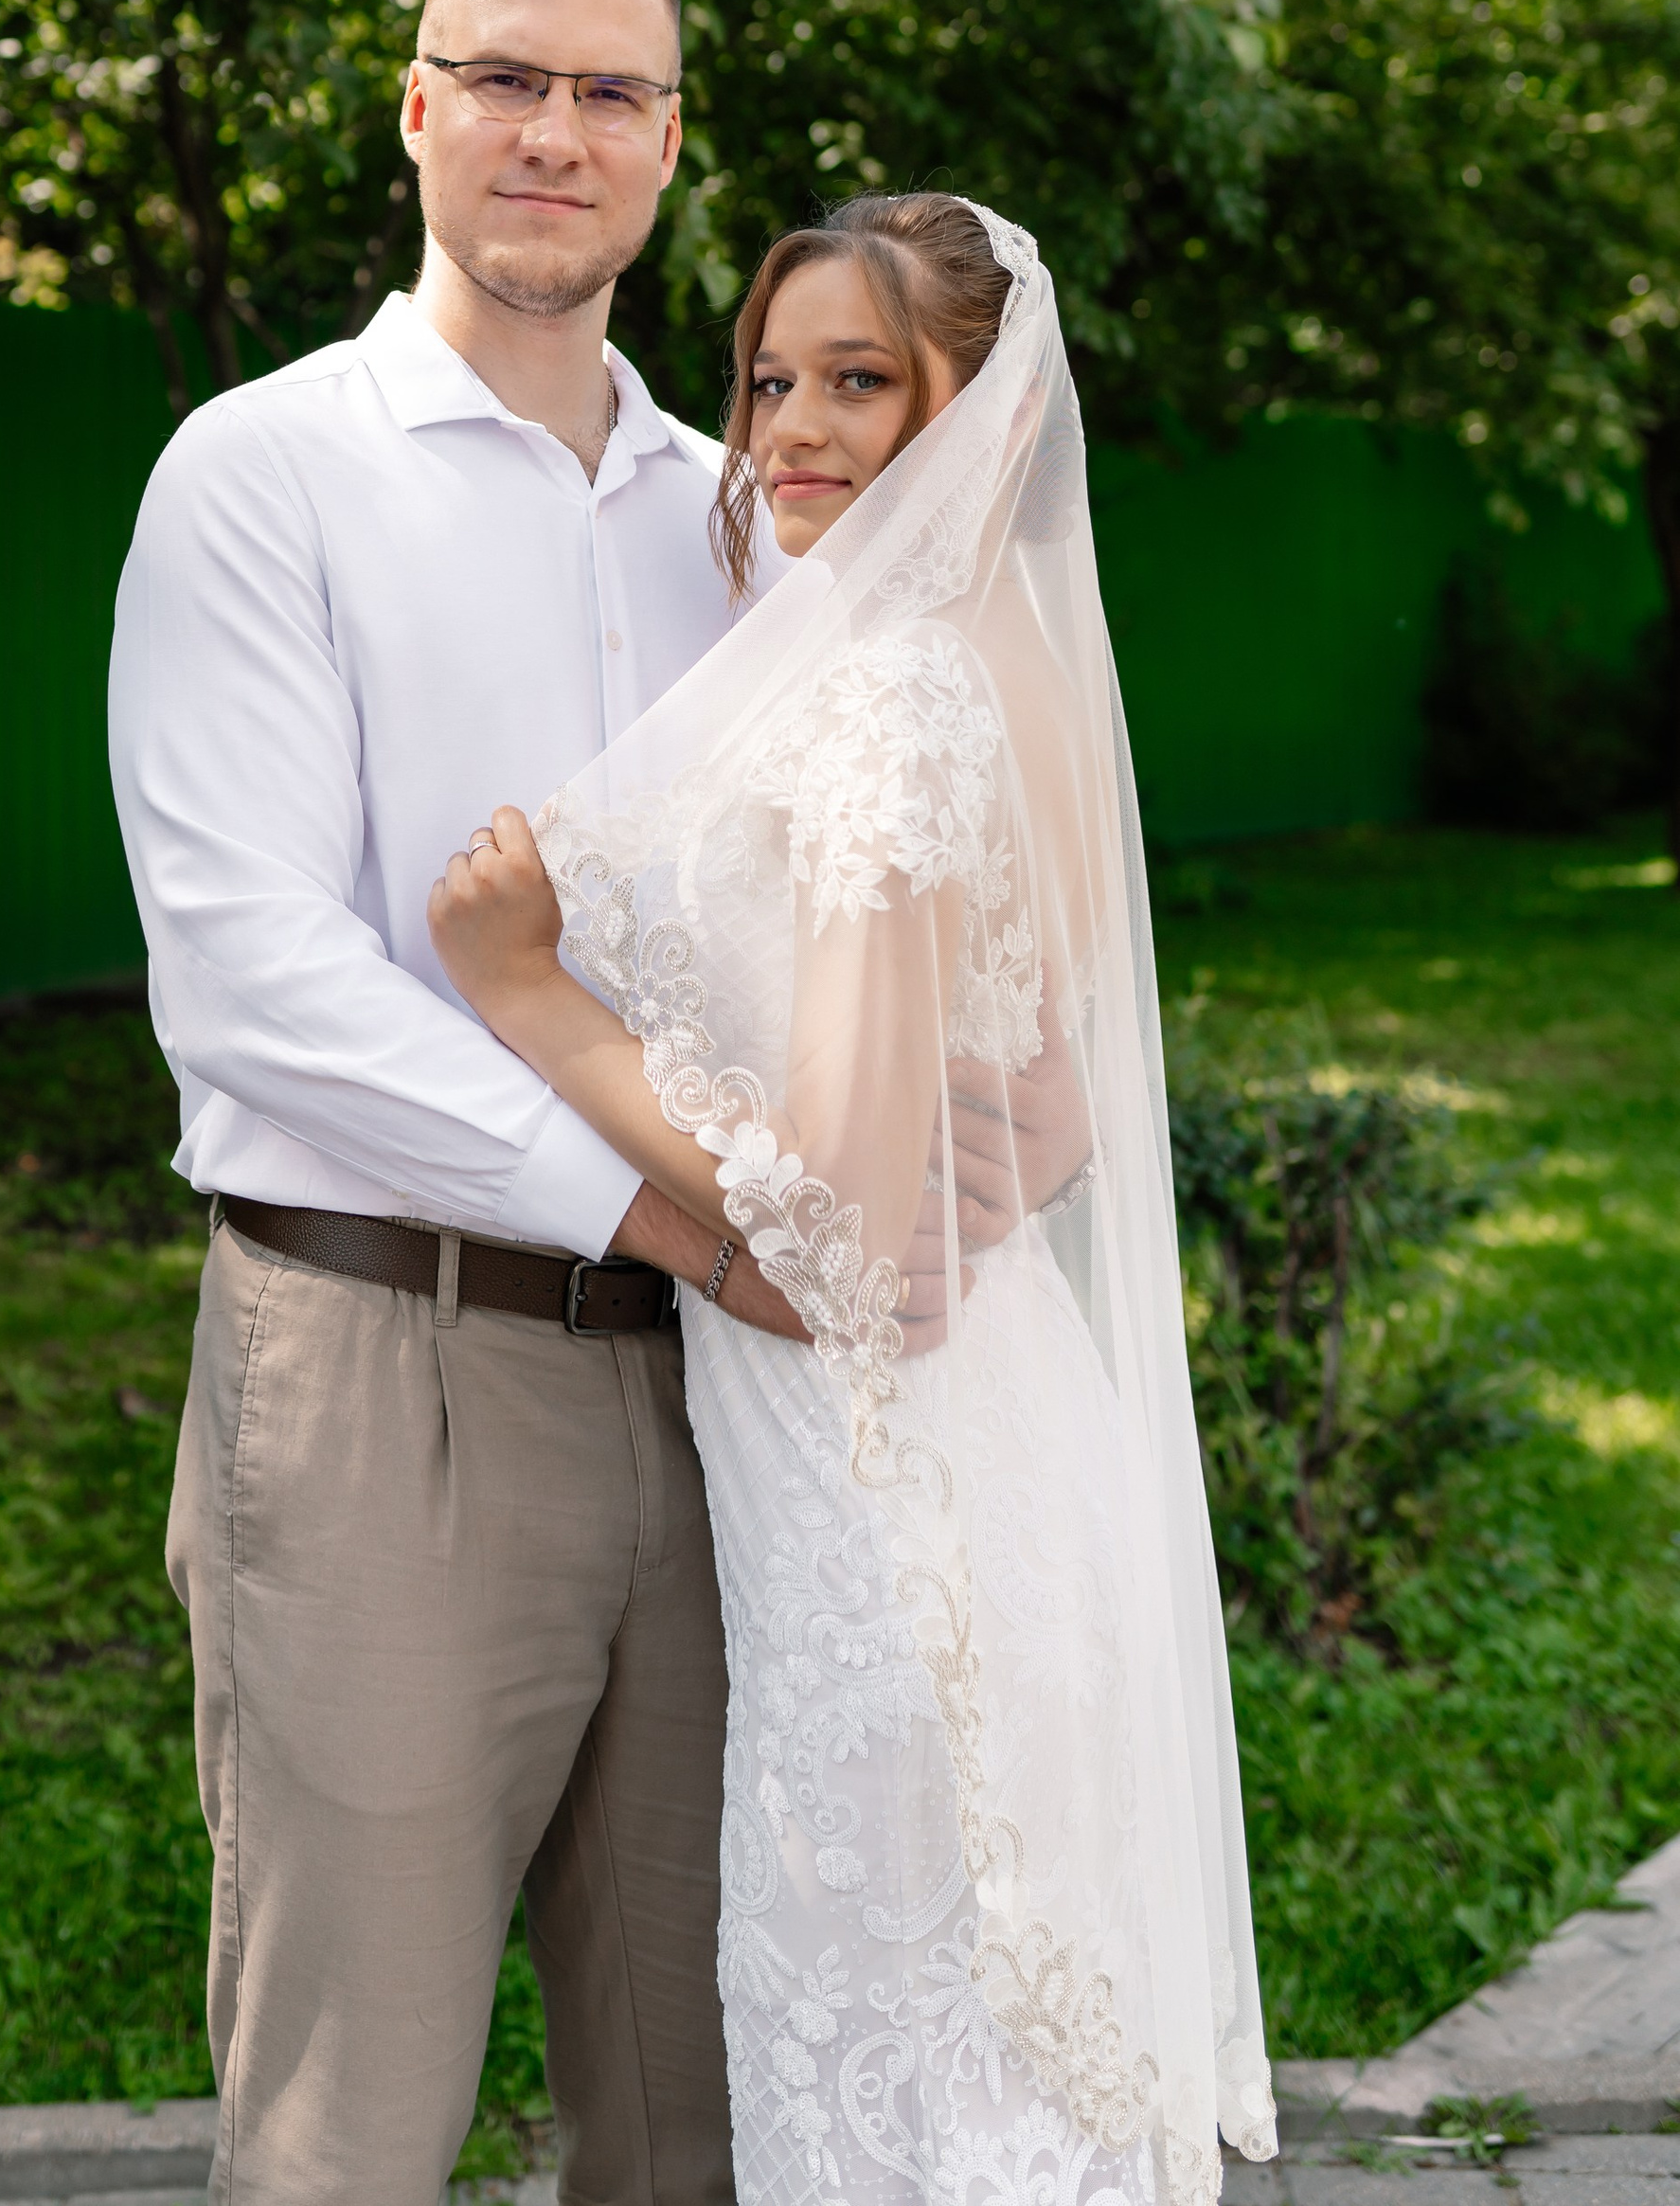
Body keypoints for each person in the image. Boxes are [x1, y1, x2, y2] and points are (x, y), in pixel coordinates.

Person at [109, 0, 1059, 2206]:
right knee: (358, 2108)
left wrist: (947, 1159)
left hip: (746, 1402)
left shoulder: (754, 513)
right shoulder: (263, 470)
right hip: (392, 1368)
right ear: (418, 105)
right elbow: (255, 973)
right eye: (504, 76)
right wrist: (685, 1213)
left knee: (701, 2101)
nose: (553, 129)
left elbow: (884, 916)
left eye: (606, 90)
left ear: (661, 144)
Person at [431, 194, 1280, 2206]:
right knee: (1000, 2057)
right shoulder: (1008, 665)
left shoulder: (882, 694)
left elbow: (812, 1217)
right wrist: (974, 1167)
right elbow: (1057, 1090)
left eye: (855, 380)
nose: (790, 426)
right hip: (1012, 1427)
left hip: (880, 1484)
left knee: (898, 2059)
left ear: (969, 409)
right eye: (767, 377)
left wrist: (524, 989)